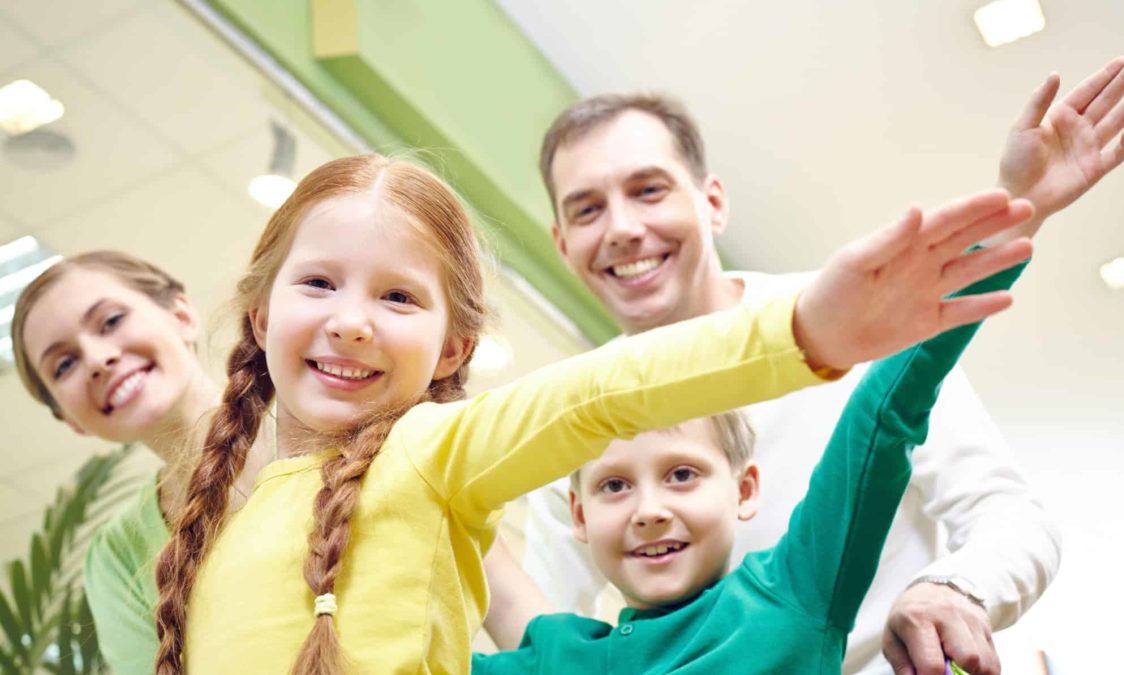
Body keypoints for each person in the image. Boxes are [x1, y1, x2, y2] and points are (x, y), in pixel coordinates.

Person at [149, 152, 1030, 674]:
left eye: (398, 297)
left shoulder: (788, 594)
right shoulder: (558, 655)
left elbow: (601, 392)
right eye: (318, 283)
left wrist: (809, 326)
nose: (349, 317)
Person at [520, 56, 1124, 675]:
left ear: (712, 202)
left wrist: (951, 590)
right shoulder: (572, 420)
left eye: (648, 190)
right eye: (587, 209)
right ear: (561, 244)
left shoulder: (851, 318)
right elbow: (541, 622)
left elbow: (1008, 513)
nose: (623, 228)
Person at [474, 252, 1028, 675]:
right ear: (578, 515)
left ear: (744, 489)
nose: (649, 510)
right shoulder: (559, 656)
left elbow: (882, 414)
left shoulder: (792, 593)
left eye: (682, 474)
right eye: (614, 485)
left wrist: (1019, 207)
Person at [10, 252, 275, 675]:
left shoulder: (322, 423)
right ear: (69, 419)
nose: (97, 359)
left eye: (111, 321)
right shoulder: (116, 558)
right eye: (64, 364)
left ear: (181, 314)